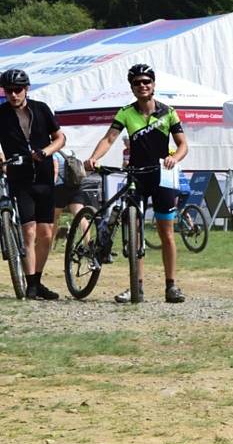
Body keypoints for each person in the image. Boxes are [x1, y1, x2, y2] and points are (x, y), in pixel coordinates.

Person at [84, 64, 189, 304]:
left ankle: (171, 286)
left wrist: (175, 157)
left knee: (167, 233)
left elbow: (183, 144)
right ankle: (136, 286)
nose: (142, 86)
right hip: (136, 176)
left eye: (146, 82)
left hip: (162, 176)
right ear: (132, 87)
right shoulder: (125, 112)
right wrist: (94, 157)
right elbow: (109, 138)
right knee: (136, 233)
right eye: (137, 83)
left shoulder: (168, 112)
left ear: (153, 84)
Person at [0, 68, 65, 300]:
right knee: (29, 230)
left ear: (26, 89)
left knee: (46, 233)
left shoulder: (41, 109)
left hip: (45, 178)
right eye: (8, 91)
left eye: (17, 90)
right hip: (20, 179)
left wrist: (46, 152)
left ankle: (38, 280)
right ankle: (29, 284)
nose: (13, 95)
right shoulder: (1, 114)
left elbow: (60, 138)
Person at [52, 151, 90, 247]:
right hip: (76, 186)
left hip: (60, 188)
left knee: (55, 217)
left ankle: (49, 245)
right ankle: (88, 245)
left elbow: (55, 170)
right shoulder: (69, 152)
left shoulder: (54, 154)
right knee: (80, 216)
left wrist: (51, 185)